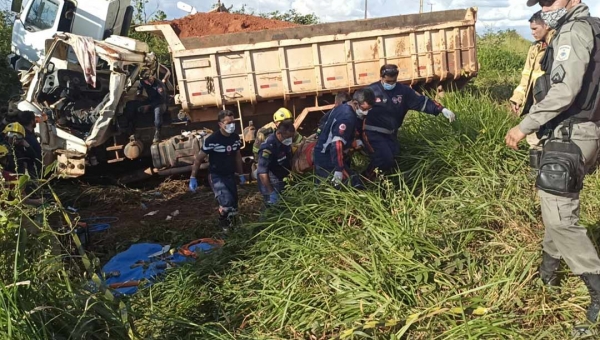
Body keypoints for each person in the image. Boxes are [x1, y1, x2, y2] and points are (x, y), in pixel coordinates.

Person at [505, 0, 600, 333]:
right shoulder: (593, 28)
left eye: (550, 1)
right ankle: (548, 275)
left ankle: (598, 296)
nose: (545, 8)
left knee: (560, 218)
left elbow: (565, 89)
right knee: (553, 206)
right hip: (582, 133)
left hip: (570, 134)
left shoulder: (574, 31)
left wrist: (524, 126)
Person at [362, 64, 456, 179]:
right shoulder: (371, 91)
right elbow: (357, 109)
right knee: (384, 158)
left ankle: (383, 182)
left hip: (391, 133)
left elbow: (421, 102)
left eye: (393, 81)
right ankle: (365, 180)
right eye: (388, 81)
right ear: (381, 77)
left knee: (393, 157)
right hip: (372, 132)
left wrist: (441, 109)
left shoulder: (403, 91)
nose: (390, 84)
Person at [188, 110, 246, 231]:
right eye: (228, 122)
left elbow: (237, 156)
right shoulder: (212, 140)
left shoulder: (235, 138)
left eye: (233, 122)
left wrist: (241, 174)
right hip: (217, 176)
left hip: (230, 174)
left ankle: (234, 229)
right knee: (226, 203)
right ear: (220, 124)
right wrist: (193, 177)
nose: (231, 125)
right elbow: (198, 159)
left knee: (234, 205)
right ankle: (224, 226)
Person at [509, 11, 555, 149]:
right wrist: (517, 97)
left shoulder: (558, 44)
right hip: (535, 102)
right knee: (534, 140)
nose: (532, 33)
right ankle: (537, 168)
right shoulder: (535, 48)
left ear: (546, 25)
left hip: (552, 102)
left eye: (535, 29)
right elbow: (526, 77)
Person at [313, 88, 375, 189]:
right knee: (355, 186)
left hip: (324, 153)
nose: (366, 113)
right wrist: (339, 169)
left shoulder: (344, 107)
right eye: (364, 109)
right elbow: (337, 144)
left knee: (326, 187)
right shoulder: (346, 117)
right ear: (355, 103)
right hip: (328, 157)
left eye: (369, 109)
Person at [256, 120, 296, 205]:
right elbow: (262, 173)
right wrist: (271, 192)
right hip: (270, 182)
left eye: (291, 137)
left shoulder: (284, 142)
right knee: (271, 211)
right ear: (279, 134)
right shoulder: (268, 148)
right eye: (288, 137)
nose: (290, 140)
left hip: (281, 179)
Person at [137, 71, 168, 143]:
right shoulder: (142, 81)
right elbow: (140, 86)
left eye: (150, 79)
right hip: (150, 101)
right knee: (135, 106)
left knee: (158, 111)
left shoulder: (159, 85)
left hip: (161, 103)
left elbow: (162, 100)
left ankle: (158, 132)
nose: (149, 82)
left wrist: (149, 106)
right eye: (147, 80)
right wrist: (139, 93)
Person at [17, 110, 42, 178]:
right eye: (34, 119)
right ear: (32, 121)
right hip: (31, 171)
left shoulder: (26, 134)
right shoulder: (26, 137)